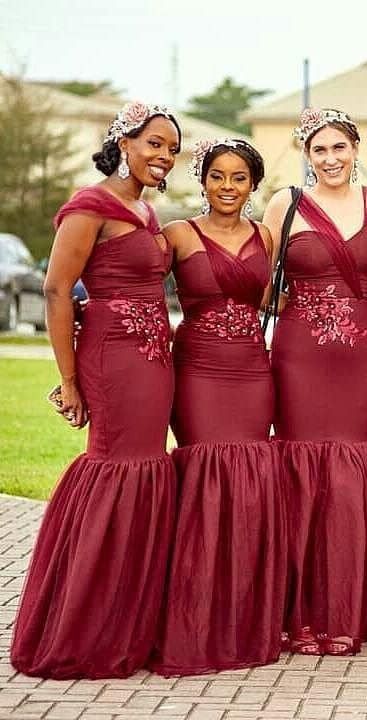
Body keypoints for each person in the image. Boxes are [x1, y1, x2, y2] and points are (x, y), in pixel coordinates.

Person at [11, 103, 181, 678]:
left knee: (146, 471)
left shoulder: (146, 211)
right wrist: (68, 380)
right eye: (155, 143)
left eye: (172, 149)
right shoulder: (90, 205)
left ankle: (128, 623)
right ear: (123, 141)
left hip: (156, 360)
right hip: (114, 361)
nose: (164, 156)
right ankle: (82, 628)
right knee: (116, 471)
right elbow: (58, 291)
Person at [261, 108, 367, 656]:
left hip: (361, 354)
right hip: (300, 354)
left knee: (349, 474)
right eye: (320, 150)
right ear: (306, 155)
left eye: (340, 147)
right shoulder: (283, 203)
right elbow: (264, 283)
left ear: (357, 147)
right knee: (302, 473)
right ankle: (298, 616)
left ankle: (345, 610)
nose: (331, 159)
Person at [152, 139, 285, 675]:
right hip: (198, 372)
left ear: (253, 186)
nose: (227, 187)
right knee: (206, 484)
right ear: (201, 181)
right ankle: (192, 624)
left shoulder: (267, 237)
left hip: (253, 371)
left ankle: (240, 622)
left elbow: (271, 301)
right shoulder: (178, 234)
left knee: (248, 487)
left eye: (239, 178)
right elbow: (137, 284)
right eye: (217, 177)